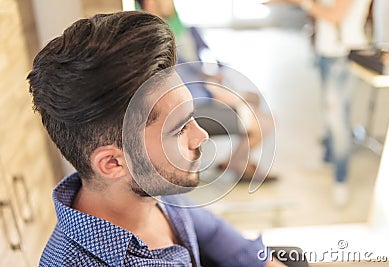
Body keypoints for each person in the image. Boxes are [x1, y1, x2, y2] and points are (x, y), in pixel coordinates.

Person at [27, 11, 305, 266]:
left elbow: (210, 232)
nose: (202, 135)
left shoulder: (151, 187)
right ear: (112, 163)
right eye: (179, 129)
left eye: (191, 116)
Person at [137, 0, 278, 184]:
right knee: (264, 122)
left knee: (253, 103)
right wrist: (213, 91)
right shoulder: (153, 38)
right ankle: (237, 162)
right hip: (190, 107)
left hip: (195, 99)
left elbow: (188, 69)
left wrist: (210, 82)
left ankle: (238, 161)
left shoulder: (170, 31)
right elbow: (179, 82)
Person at [265, 0, 372, 205]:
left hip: (341, 56)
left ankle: (341, 181)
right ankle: (329, 160)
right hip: (329, 53)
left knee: (337, 120)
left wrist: (305, 4)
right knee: (334, 114)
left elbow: (334, 16)